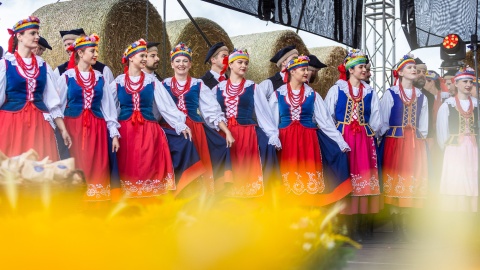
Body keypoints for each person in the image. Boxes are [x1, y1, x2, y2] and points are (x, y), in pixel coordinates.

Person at [110, 39, 203, 198]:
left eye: (147, 56)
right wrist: (113, 131)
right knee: (128, 167)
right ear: (131, 58)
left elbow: (166, 107)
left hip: (148, 131)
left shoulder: (152, 81)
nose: (145, 59)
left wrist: (180, 125)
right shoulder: (118, 82)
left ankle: (153, 205)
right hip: (126, 132)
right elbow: (110, 108)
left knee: (148, 167)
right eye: (142, 56)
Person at [269, 55, 352, 206]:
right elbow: (272, 123)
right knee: (287, 179)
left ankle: (307, 217)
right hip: (286, 142)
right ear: (292, 71)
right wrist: (273, 138)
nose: (307, 72)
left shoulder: (313, 95)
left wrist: (340, 141)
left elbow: (326, 122)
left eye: (307, 69)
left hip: (308, 142)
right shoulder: (278, 94)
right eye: (303, 69)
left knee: (308, 182)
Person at [162, 42, 233, 194]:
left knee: (204, 159)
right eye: (178, 61)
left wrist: (226, 131)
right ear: (172, 64)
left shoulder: (198, 84)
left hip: (194, 130)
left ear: (190, 64)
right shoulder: (163, 84)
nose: (181, 64)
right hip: (171, 129)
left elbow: (211, 110)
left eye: (185, 61)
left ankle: (199, 199)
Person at [325, 49, 382, 240]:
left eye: (365, 66)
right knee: (345, 176)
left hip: (364, 139)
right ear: (350, 70)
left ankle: (361, 225)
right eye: (361, 67)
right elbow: (327, 116)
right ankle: (344, 225)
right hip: (343, 137)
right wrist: (336, 136)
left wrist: (368, 132)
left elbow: (376, 118)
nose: (365, 70)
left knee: (363, 178)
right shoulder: (337, 89)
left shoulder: (369, 91)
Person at [57, 33, 120, 201]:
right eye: (92, 51)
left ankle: (97, 206)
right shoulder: (67, 77)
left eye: (96, 51)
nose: (96, 55)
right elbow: (58, 106)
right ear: (80, 53)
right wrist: (61, 130)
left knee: (98, 167)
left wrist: (113, 134)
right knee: (76, 165)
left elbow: (108, 108)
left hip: (97, 129)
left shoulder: (100, 78)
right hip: (73, 129)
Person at [0, 16, 71, 160]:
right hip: (11, 124)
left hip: (39, 125)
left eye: (37, 33)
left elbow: (52, 101)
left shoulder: (42, 65)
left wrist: (63, 129)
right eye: (33, 33)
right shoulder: (5, 64)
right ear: (19, 36)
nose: (37, 37)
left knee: (39, 169)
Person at [212, 49, 281, 197]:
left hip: (247, 133)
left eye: (246, 63)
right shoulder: (217, 88)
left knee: (250, 166)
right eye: (240, 62)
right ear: (230, 64)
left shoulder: (253, 87)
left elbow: (264, 113)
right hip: (225, 134)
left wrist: (272, 134)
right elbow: (211, 113)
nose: (244, 66)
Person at [379, 54, 429, 240]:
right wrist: (383, 137)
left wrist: (421, 138)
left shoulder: (421, 96)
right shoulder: (390, 93)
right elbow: (383, 121)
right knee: (396, 179)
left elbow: (423, 123)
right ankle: (396, 223)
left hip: (414, 143)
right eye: (409, 67)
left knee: (412, 179)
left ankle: (407, 222)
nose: (414, 69)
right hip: (395, 141)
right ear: (399, 72)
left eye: (414, 67)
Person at [437, 67, 478, 212]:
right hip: (455, 148)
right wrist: (447, 147)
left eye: (470, 82)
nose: (468, 84)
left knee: (473, 178)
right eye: (465, 81)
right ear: (457, 83)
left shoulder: (477, 104)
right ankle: (458, 214)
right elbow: (442, 130)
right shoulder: (448, 105)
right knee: (457, 179)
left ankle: (473, 213)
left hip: (473, 148)